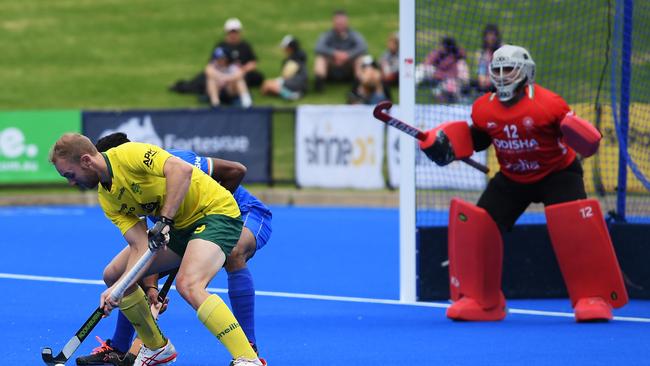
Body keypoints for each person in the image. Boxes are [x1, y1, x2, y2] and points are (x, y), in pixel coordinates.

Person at [418, 45, 628, 322]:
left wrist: (584, 135)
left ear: (526, 72)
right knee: (479, 226)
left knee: (576, 228)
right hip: (513, 177)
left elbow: (577, 137)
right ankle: (483, 302)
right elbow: (478, 138)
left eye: (509, 69)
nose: (503, 76)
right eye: (498, 70)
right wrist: (445, 146)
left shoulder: (549, 104)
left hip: (557, 174)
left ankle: (593, 297)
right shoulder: (483, 108)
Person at [49, 133, 265, 366]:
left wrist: (164, 220)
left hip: (214, 213)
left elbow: (181, 170)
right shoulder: (107, 197)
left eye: (70, 175)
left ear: (86, 161)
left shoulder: (129, 154)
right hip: (178, 229)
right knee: (114, 275)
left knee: (189, 284)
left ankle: (248, 358)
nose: (71, 182)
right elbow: (140, 245)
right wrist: (120, 288)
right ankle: (157, 347)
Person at [313, 9, 368, 92]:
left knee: (360, 59)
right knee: (320, 58)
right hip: (332, 66)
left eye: (342, 22)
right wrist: (335, 54)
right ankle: (319, 83)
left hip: (348, 66)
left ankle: (357, 84)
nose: (340, 24)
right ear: (334, 22)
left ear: (347, 22)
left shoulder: (354, 35)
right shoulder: (327, 35)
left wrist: (348, 55)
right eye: (338, 22)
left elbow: (363, 47)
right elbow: (318, 47)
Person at [415, 36, 469, 103]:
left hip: (449, 79)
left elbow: (463, 54)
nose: (440, 47)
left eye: (442, 45)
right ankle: (412, 85)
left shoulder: (455, 55)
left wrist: (455, 49)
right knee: (421, 68)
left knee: (445, 88)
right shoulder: (438, 53)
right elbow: (427, 63)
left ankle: (458, 98)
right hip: (437, 76)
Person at [215, 18, 264, 88]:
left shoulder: (245, 46)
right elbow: (213, 63)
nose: (233, 35)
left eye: (235, 32)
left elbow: (253, 63)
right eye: (231, 32)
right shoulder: (221, 46)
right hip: (225, 72)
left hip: (242, 72)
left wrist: (243, 70)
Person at [261, 35, 308, 101]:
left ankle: (289, 95)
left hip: (295, 84)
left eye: (285, 48)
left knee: (267, 84)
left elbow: (286, 77)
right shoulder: (300, 58)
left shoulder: (292, 62)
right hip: (301, 85)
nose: (283, 50)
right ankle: (291, 93)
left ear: (290, 48)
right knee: (268, 84)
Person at [472, 24, 502, 93]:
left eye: (493, 35)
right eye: (489, 35)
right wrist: (483, 80)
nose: (491, 38)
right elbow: (481, 72)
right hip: (486, 85)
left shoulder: (502, 51)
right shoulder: (482, 54)